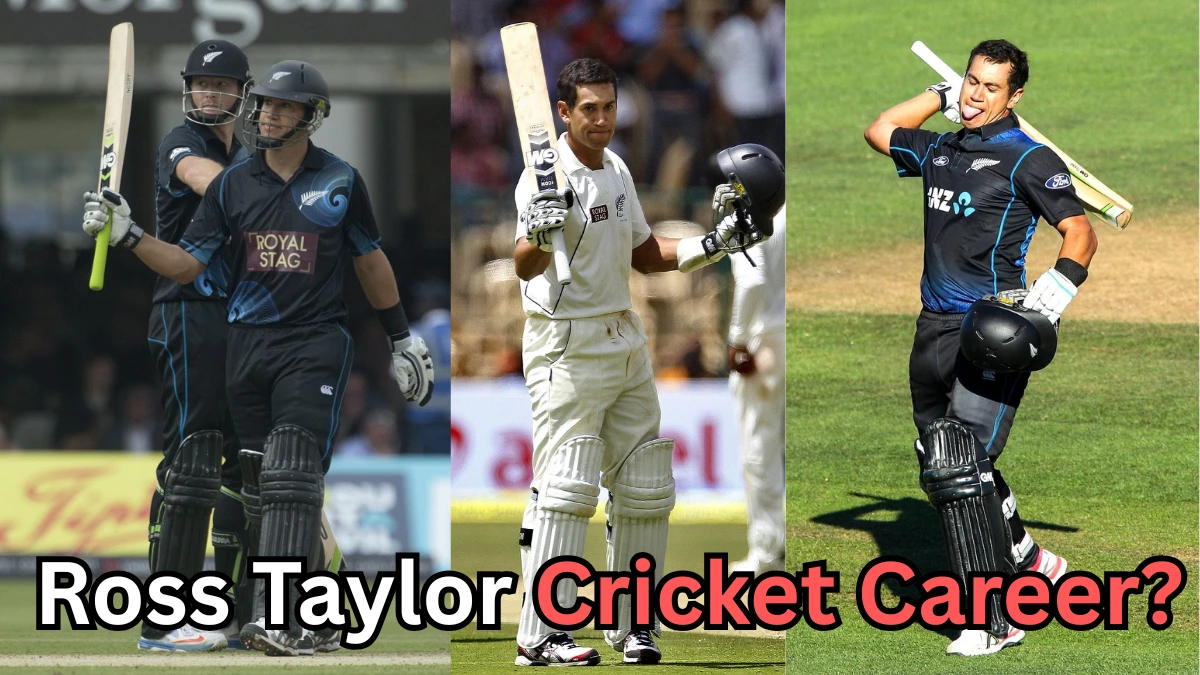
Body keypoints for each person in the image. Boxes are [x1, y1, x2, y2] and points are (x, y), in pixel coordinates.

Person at [82, 59, 434, 657]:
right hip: (245, 347)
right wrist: (130, 235)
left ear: (311, 117)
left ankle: (283, 619)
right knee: (253, 483)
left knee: (291, 470)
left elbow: (370, 261)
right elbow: (188, 264)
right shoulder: (233, 185)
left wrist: (401, 337)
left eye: (283, 106)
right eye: (265, 104)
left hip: (314, 342)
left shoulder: (341, 179)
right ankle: (312, 614)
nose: (267, 114)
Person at [511, 58, 782, 666]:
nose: (602, 119)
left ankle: (633, 624)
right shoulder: (540, 178)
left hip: (623, 333)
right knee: (565, 488)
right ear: (563, 112)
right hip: (565, 342)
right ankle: (541, 634)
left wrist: (712, 244)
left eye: (609, 107)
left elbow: (644, 253)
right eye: (589, 109)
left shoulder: (616, 169)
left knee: (643, 486)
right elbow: (525, 263)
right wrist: (538, 231)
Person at [864, 39, 1097, 657]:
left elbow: (1079, 233)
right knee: (936, 460)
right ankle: (1026, 554)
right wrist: (938, 96)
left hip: (990, 332)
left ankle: (996, 619)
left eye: (991, 87)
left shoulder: (1029, 158)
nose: (975, 94)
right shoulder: (942, 149)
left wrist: (1050, 300)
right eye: (970, 81)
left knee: (958, 467)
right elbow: (880, 130)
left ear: (1015, 96)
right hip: (931, 327)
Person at [83, 40, 253, 652]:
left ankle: (236, 613)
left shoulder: (247, 154)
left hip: (240, 317)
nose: (208, 93)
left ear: (242, 92)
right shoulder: (182, 142)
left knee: (239, 465)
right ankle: (163, 617)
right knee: (189, 460)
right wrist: (280, 191)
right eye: (199, 83)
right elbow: (204, 180)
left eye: (221, 84)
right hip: (186, 312)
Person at [718, 144, 786, 576]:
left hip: (763, 343)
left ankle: (766, 551)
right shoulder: (791, 215)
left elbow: (752, 280)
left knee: (758, 449)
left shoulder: (748, 220)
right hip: (791, 336)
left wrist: (737, 341)